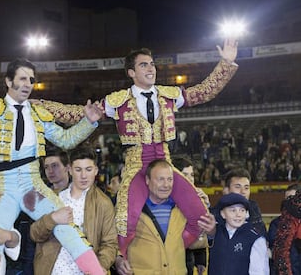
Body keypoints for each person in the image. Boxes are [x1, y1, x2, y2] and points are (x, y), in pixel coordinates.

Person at [40, 38, 239, 256]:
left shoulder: (169, 95)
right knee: (125, 223)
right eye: (144, 64)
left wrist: (226, 63)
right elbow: (79, 113)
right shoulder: (118, 100)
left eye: (152, 64)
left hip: (165, 164)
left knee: (200, 216)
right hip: (136, 167)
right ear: (131, 72)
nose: (150, 68)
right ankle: (123, 263)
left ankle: (167, 253)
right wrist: (42, 106)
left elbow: (204, 92)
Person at [0, 56, 105, 275]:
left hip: (32, 188)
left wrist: (89, 122)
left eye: (32, 79)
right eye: (23, 78)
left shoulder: (38, 113)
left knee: (68, 229)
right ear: (9, 81)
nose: (28, 84)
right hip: (3, 190)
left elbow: (66, 140)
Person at [115, 159, 216, 274]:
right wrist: (118, 259)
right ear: (147, 180)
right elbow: (113, 241)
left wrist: (211, 232)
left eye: (170, 179)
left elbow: (195, 242)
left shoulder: (183, 210)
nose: (166, 185)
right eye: (160, 179)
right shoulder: (130, 210)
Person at [30, 146, 118, 274]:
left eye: (88, 169)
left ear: (96, 170)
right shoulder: (54, 198)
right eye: (78, 170)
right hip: (51, 270)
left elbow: (110, 244)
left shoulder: (103, 203)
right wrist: (52, 219)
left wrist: (99, 266)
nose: (83, 176)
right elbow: (35, 234)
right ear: (70, 170)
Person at [6, 148, 71, 275]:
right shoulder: (38, 197)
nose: (50, 171)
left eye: (55, 166)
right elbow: (31, 240)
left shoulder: (79, 195)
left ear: (67, 168)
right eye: (47, 167)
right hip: (45, 262)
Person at [209, 192, 269, 274]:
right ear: (223, 214)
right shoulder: (215, 232)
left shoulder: (254, 238)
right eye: (233, 210)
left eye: (242, 210)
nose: (238, 214)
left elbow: (259, 271)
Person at [172, 156, 209, 275]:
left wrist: (205, 206)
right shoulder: (162, 197)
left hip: (187, 258)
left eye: (191, 175)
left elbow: (200, 231)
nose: (190, 179)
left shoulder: (196, 198)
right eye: (185, 174)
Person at [212, 168, 267, 237]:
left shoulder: (253, 207)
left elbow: (263, 235)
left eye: (246, 188)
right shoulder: (217, 212)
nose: (243, 192)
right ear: (227, 190)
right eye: (237, 187)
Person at [268, 183, 301, 275]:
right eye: (286, 198)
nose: (288, 202)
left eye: (291, 198)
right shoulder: (277, 223)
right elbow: (278, 251)